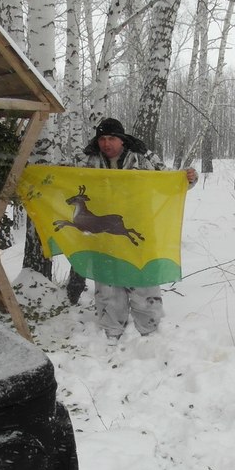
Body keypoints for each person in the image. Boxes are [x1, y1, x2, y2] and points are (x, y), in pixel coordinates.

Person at [76, 117, 198, 342]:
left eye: (112, 138)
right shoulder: (88, 161)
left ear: (122, 140)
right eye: (102, 138)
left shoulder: (141, 159)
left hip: (138, 227)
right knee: (107, 280)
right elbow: (61, 178)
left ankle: (149, 330)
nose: (106, 143)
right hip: (102, 232)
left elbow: (168, 179)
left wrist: (189, 178)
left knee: (142, 276)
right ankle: (110, 330)